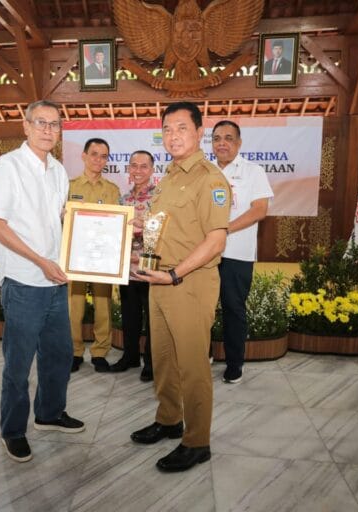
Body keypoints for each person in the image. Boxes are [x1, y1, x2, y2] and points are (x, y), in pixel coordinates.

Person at [130, 102, 231, 472]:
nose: (173, 136)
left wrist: (174, 275)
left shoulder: (210, 179)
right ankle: (169, 419)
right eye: (167, 129)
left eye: (182, 128)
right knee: (163, 359)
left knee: (192, 364)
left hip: (189, 282)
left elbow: (215, 241)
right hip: (159, 279)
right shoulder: (170, 176)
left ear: (200, 132)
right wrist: (137, 228)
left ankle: (197, 441)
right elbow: (162, 226)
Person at [0, 100, 85, 463]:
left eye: (54, 124)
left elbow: (60, 219)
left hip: (56, 280)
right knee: (18, 363)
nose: (47, 130)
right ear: (25, 126)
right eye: (40, 122)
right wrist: (41, 261)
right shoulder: (7, 166)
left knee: (59, 355)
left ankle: (49, 414)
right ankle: (13, 431)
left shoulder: (58, 170)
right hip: (24, 280)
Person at [211, 121, 274, 384]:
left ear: (239, 143)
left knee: (233, 309)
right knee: (202, 307)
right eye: (216, 138)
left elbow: (260, 210)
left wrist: (223, 230)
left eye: (228, 138)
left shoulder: (253, 171)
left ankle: (235, 364)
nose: (222, 143)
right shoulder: (205, 171)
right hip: (205, 253)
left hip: (236, 254)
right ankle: (204, 354)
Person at [67, 138, 121, 373]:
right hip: (76, 257)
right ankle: (74, 351)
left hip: (102, 258)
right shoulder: (69, 187)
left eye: (103, 156)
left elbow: (117, 223)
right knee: (73, 306)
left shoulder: (112, 190)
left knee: (103, 305)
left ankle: (100, 352)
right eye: (94, 154)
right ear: (84, 156)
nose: (99, 160)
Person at [110, 150, 156, 381]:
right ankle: (130, 356)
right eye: (134, 166)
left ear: (152, 170)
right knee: (130, 317)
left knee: (152, 320)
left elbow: (162, 234)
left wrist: (142, 257)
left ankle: (151, 363)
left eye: (143, 166)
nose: (138, 170)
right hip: (126, 270)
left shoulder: (159, 199)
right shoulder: (123, 200)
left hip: (149, 271)